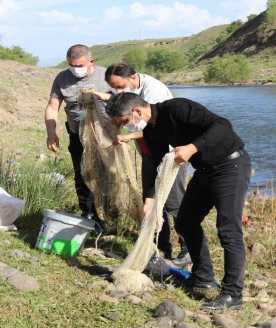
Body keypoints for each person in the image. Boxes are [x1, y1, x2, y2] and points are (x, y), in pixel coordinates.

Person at [105, 92, 251, 310]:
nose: (125, 127)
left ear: (136, 111)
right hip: (204, 170)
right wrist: (150, 199)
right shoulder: (152, 131)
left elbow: (223, 125)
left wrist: (192, 148)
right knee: (185, 222)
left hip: (231, 165)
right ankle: (203, 277)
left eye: (124, 121)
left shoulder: (177, 108)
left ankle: (233, 294)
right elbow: (156, 166)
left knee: (228, 230)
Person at [92, 63, 191, 265]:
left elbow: (156, 126)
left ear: (134, 77)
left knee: (174, 202)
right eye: (114, 88)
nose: (118, 91)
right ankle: (160, 248)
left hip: (171, 155)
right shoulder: (127, 91)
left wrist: (130, 136)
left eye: (120, 86)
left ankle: (188, 249)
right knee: (151, 202)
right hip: (149, 152)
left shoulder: (154, 91)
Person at [44, 44, 112, 233]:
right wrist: (51, 132)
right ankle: (87, 214)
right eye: (71, 65)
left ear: (91, 61)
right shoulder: (62, 78)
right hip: (77, 134)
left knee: (103, 174)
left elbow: (121, 100)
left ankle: (104, 214)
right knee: (82, 173)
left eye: (80, 65)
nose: (75, 68)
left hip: (104, 134)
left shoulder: (105, 76)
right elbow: (52, 106)